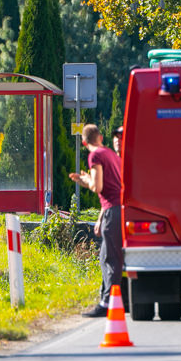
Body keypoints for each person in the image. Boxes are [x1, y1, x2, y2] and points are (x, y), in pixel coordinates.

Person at [70, 124, 123, 318]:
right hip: (119, 208)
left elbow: (98, 186)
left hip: (112, 209)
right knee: (105, 256)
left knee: (110, 258)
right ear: (100, 137)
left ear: (84, 142)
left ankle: (108, 302)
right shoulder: (110, 153)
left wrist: (84, 181)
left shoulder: (95, 156)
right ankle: (107, 298)